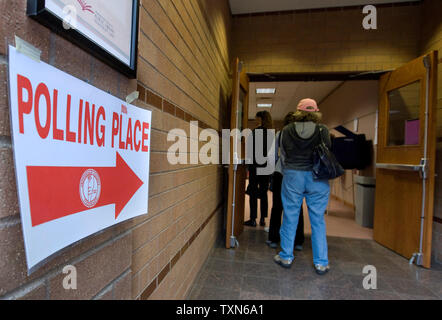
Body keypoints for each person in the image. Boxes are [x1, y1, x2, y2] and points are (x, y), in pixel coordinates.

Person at [273, 98, 331, 275]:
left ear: (298, 112)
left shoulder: (286, 130)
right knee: (318, 220)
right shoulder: (323, 130)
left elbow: (281, 152)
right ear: (315, 112)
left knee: (291, 216)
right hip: (317, 177)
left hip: (293, 176)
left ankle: (286, 256)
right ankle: (321, 262)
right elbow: (328, 150)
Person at [266, 112, 304, 250]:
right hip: (297, 176)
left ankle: (273, 239)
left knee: (277, 207)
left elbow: (272, 156)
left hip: (280, 174)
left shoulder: (280, 134)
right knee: (297, 207)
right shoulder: (303, 136)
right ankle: (298, 241)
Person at [244, 111, 272, 227]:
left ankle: (253, 219)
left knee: (253, 193)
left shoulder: (254, 133)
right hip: (266, 167)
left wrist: (247, 167)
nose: (255, 120)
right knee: (264, 193)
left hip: (255, 166)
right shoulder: (271, 134)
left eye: (256, 118)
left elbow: (249, 151)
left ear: (261, 119)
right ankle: (262, 219)